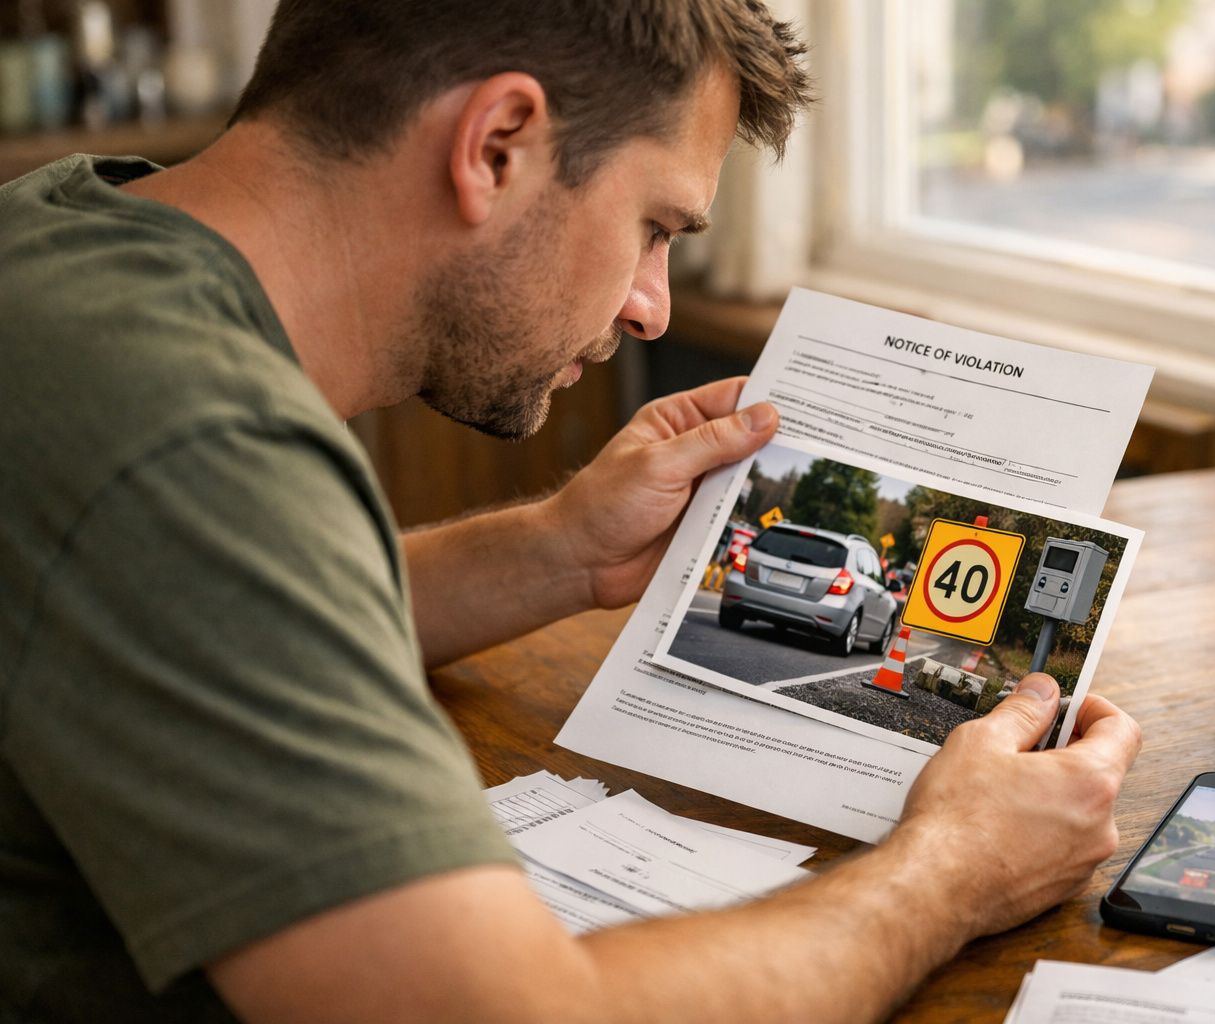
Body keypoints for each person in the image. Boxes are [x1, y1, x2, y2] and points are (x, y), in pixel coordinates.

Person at [0, 2, 1142, 1021]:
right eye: (653, 225)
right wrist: (952, 867)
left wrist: (559, 551)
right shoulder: (190, 437)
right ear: (498, 144)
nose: (651, 307)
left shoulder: (60, 243)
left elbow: (203, 611)